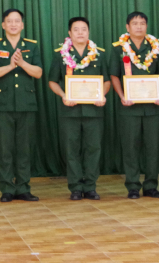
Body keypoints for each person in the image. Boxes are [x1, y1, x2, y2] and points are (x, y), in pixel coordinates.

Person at [48, 17, 110, 201]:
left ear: (88, 32)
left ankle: (90, 187)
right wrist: (63, 95)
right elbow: (52, 81)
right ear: (70, 33)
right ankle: (75, 187)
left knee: (93, 149)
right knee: (71, 150)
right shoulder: (60, 55)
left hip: (94, 111)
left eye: (84, 29)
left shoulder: (99, 54)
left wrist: (102, 95)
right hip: (70, 111)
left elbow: (106, 81)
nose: (80, 32)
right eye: (76, 29)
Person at [0, 9, 42, 202]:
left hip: (26, 104)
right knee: (5, 149)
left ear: (22, 25)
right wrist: (10, 66)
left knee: (24, 149)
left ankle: (24, 188)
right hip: (3, 104)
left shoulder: (31, 46)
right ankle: (7, 189)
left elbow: (38, 73)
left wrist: (23, 63)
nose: (13, 24)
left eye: (17, 21)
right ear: (3, 25)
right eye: (9, 21)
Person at [109, 11, 159, 199]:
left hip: (153, 107)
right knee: (130, 148)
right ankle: (133, 186)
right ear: (128, 27)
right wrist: (122, 96)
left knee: (153, 148)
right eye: (135, 23)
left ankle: (151, 186)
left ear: (146, 26)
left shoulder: (156, 47)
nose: (139, 26)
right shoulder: (118, 49)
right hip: (129, 107)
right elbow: (114, 75)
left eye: (142, 23)